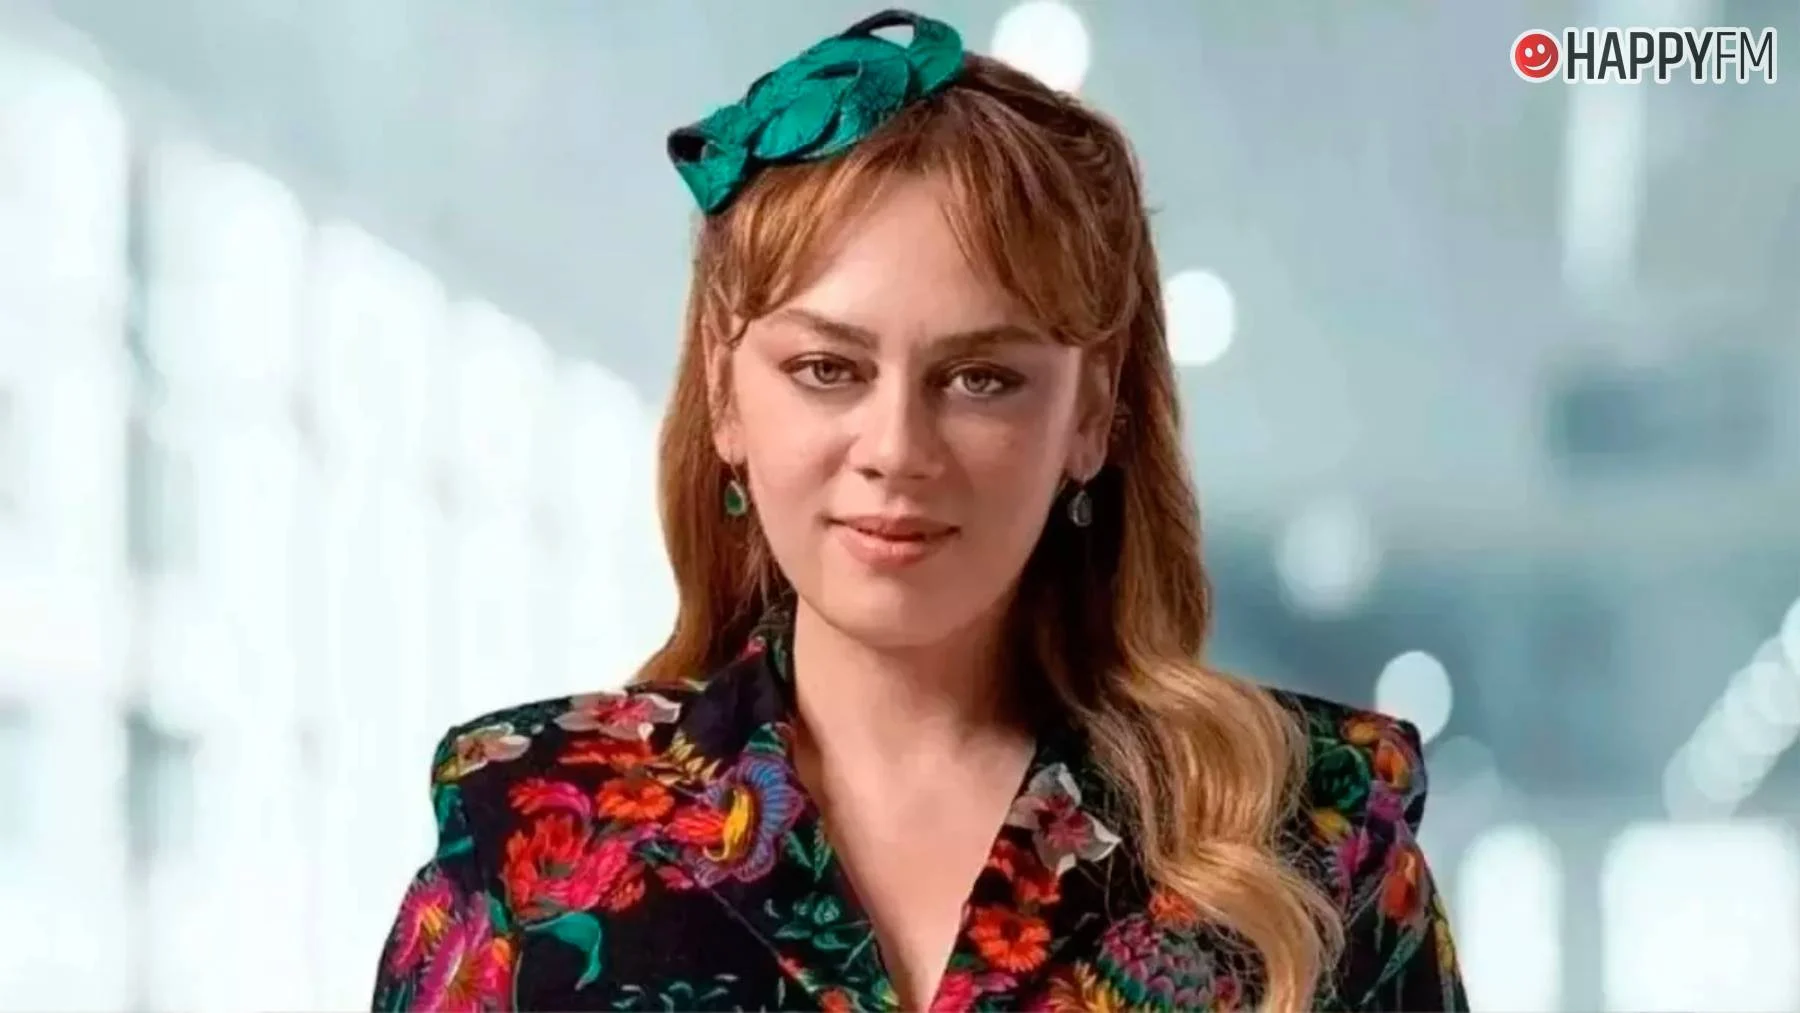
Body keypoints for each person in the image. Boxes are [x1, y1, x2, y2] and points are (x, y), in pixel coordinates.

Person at [370, 9, 1467, 1012]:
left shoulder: (1311, 840)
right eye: (827, 369)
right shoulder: (529, 828)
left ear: (1091, 413)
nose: (896, 449)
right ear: (724, 391)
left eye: (980, 378)